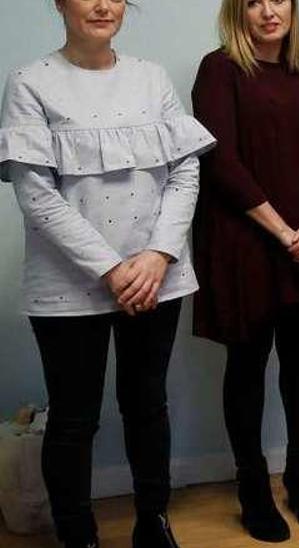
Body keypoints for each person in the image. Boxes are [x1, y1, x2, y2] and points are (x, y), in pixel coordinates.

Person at [0, 1, 215, 545]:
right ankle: (79, 535)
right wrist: (112, 267)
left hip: (156, 277)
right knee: (74, 419)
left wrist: (159, 254)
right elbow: (35, 194)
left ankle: (153, 521)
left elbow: (184, 172)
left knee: (148, 406)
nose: (102, 5)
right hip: (69, 288)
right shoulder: (30, 83)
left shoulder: (151, 78)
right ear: (58, 3)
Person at [191, 0, 299, 540]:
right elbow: (220, 163)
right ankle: (252, 488)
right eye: (253, 2)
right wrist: (283, 231)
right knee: (248, 366)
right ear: (238, 12)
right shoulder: (220, 70)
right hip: (248, 246)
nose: (268, 11)